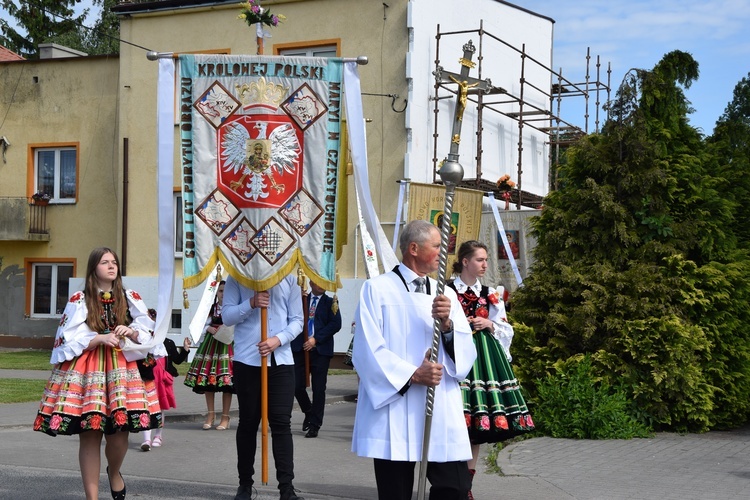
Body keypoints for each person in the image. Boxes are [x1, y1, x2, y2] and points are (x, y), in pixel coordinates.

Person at [351, 220, 477, 500]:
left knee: (455, 487)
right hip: (396, 406)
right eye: (437, 246)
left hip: (439, 402)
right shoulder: (377, 289)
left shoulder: (446, 295)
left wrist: (447, 326)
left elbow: (466, 354)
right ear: (414, 249)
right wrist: (412, 374)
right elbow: (367, 349)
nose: (443, 253)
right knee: (395, 492)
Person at [33, 247, 161, 500]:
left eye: (114, 262)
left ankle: (114, 472)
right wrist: (98, 338)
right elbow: (66, 336)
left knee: (119, 434)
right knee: (90, 435)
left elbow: (148, 330)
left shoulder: (130, 296)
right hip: (88, 369)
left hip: (123, 369)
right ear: (94, 268)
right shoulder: (80, 299)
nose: (112, 266)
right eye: (105, 262)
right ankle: (91, 497)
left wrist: (131, 331)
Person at [447, 240, 534, 499]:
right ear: (465, 261)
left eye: (485, 260)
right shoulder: (447, 289)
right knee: (452, 421)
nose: (485, 264)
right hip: (454, 356)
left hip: (483, 361)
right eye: (480, 259)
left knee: (476, 424)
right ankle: (447, 481)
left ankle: (467, 486)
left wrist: (489, 323)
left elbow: (505, 328)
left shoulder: (491, 294)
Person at [222, 273, 305, 500]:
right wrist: (251, 302)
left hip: (280, 361)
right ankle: (245, 485)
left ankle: (286, 488)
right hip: (248, 360)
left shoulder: (289, 276)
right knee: (249, 422)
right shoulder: (237, 276)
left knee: (281, 423)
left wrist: (278, 339)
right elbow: (227, 316)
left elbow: (297, 320)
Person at [292, 279, 342, 438]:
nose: (321, 284)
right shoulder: (301, 300)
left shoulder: (330, 302)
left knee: (318, 388)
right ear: (311, 282)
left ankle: (315, 424)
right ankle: (308, 410)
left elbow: (335, 324)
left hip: (320, 350)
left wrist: (316, 339)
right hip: (300, 348)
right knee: (296, 385)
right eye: (317, 280)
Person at [184, 280, 234, 431]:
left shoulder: (232, 308)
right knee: (209, 381)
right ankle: (210, 415)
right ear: (216, 293)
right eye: (220, 291)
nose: (223, 294)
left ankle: (225, 417)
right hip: (211, 346)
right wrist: (209, 328)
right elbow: (201, 324)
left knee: (226, 383)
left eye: (226, 291)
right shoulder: (211, 309)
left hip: (227, 345)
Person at [140, 331, 191, 451]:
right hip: (148, 379)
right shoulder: (144, 341)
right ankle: (146, 438)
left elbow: (177, 360)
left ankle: (158, 435)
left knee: (160, 408)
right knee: (146, 407)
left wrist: (185, 349)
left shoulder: (168, 342)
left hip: (162, 380)